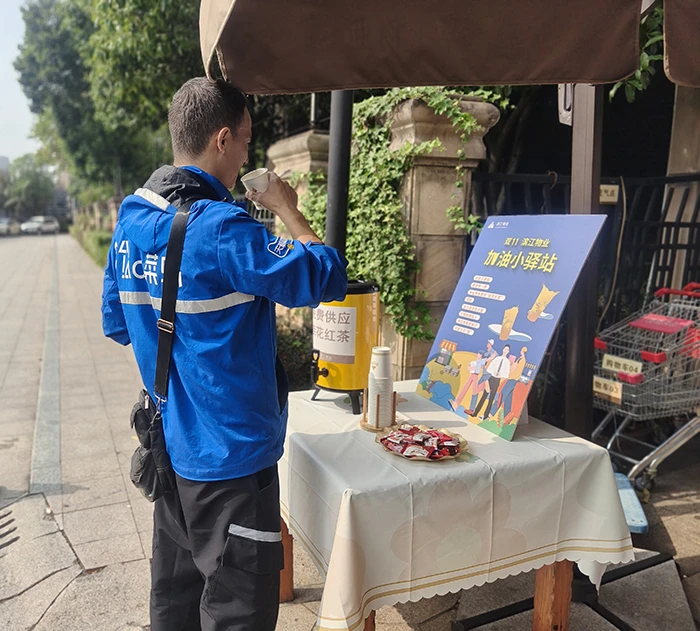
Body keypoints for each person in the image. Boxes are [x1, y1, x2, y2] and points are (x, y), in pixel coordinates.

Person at [101, 77, 348, 631]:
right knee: (239, 612)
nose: (245, 156)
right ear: (221, 139)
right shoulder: (224, 230)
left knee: (175, 603)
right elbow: (327, 275)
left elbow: (118, 325)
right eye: (245, 141)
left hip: (169, 452)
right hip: (233, 464)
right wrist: (286, 208)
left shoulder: (130, 222)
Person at [473, 344, 512, 420]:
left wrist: (500, 374)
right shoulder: (497, 359)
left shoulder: (507, 362)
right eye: (505, 349)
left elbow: (506, 374)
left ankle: (485, 416)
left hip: (497, 380)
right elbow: (490, 367)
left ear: (508, 351)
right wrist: (493, 372)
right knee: (484, 395)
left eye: (507, 350)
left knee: (491, 399)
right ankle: (475, 412)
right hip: (491, 378)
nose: (505, 351)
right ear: (503, 349)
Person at [497, 346, 528, 423]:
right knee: (508, 399)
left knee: (502, 395)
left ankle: (490, 414)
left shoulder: (522, 360)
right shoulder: (520, 358)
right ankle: (507, 417)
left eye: (521, 351)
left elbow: (518, 372)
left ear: (523, 352)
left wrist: (508, 376)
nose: (520, 351)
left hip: (513, 379)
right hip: (512, 378)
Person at [467, 339, 497, 413]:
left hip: (488, 375)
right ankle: (472, 409)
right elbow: (482, 363)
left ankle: (483, 411)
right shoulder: (486, 352)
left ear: (491, 344)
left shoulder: (493, 353)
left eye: (488, 343)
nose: (487, 344)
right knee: (477, 390)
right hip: (484, 374)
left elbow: (492, 362)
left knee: (485, 393)